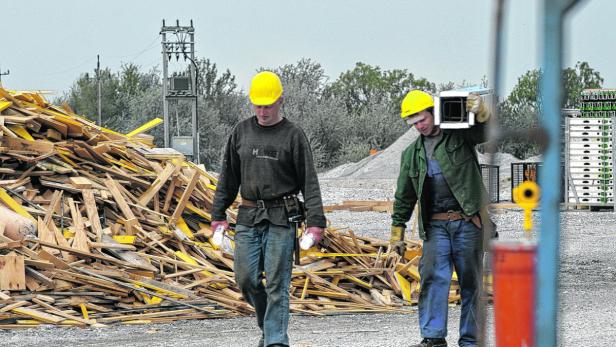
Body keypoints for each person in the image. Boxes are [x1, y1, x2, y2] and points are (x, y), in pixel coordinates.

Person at [211, 71, 327, 347]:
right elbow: (228, 178)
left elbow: (309, 181)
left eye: (268, 105)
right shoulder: (241, 132)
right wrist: (218, 217)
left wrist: (315, 222)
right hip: (249, 217)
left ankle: (276, 341)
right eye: (258, 105)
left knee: (277, 282)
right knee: (246, 278)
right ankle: (268, 324)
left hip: (281, 218)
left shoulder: (293, 135)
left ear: (280, 101)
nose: (262, 111)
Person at [390, 90, 492, 347]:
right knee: (433, 279)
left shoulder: (459, 136)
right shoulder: (411, 154)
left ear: (433, 112)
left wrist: (482, 113)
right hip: (435, 226)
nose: (419, 126)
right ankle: (433, 338)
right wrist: (397, 231)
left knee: (471, 283)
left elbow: (485, 136)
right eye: (413, 123)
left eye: (421, 119)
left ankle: (470, 340)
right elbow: (404, 196)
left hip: (468, 222)